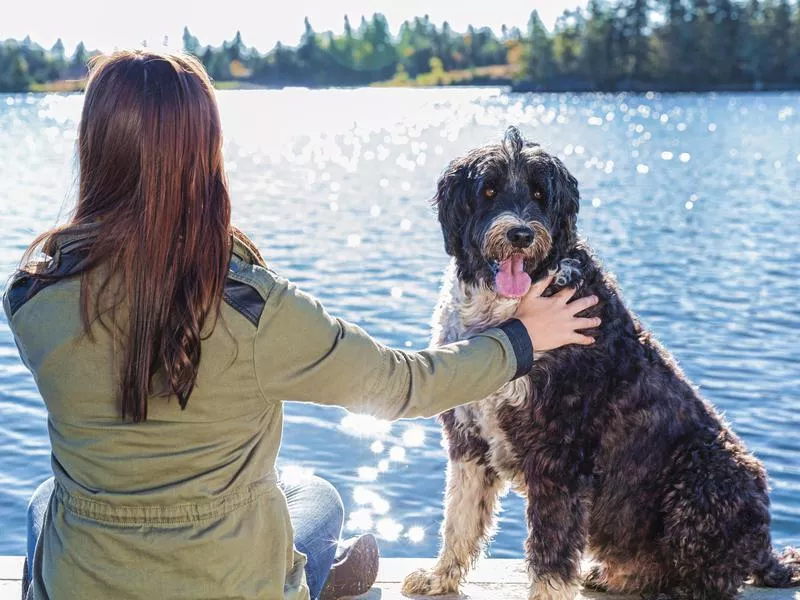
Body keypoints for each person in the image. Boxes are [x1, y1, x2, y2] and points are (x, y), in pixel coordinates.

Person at [3, 50, 600, 600]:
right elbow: (402, 384)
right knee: (316, 496)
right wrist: (523, 339)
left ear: (93, 148)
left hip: (87, 578)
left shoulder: (32, 299)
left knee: (44, 498)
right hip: (231, 584)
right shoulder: (252, 307)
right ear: (203, 157)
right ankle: (316, 576)